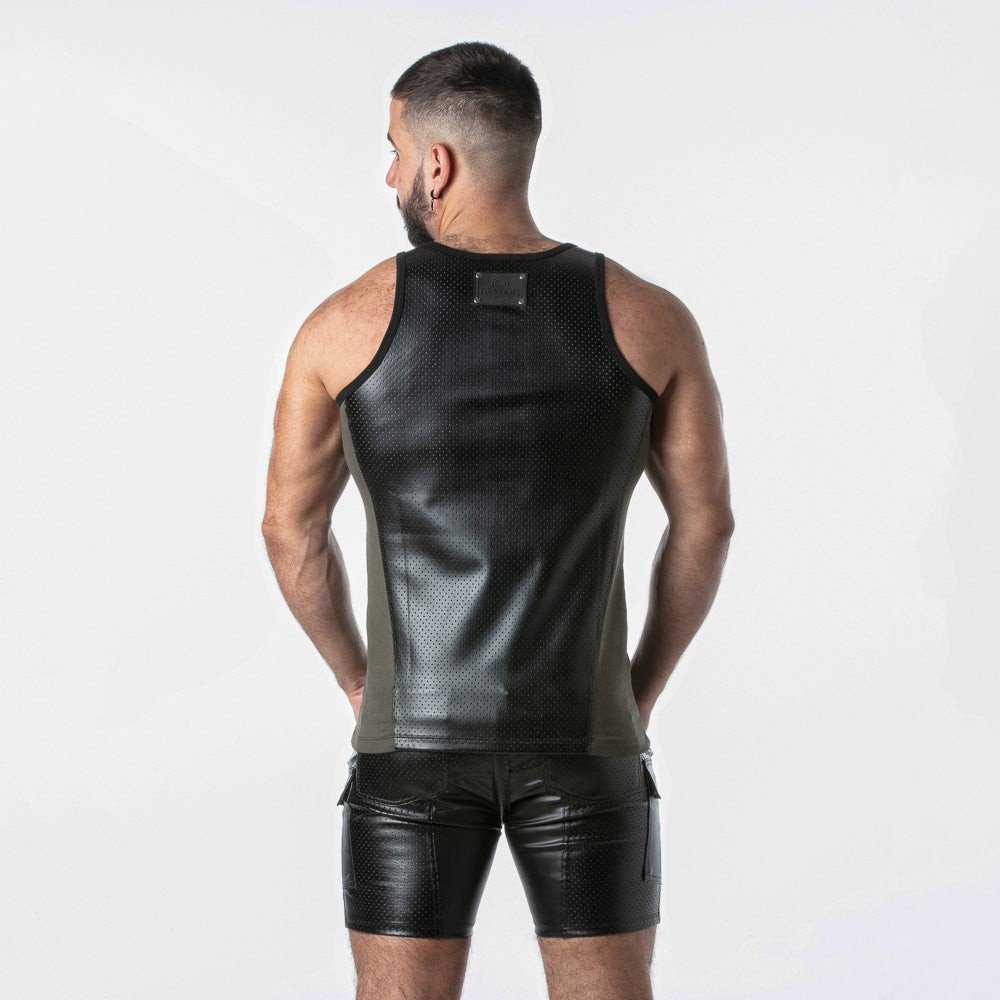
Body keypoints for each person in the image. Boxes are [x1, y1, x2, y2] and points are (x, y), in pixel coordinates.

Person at [262, 40, 734, 1000]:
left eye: (395, 150)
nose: (389, 174)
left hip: (410, 745)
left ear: (437, 166)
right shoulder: (649, 317)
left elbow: (290, 531)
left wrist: (359, 680)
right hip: (588, 742)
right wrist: (633, 694)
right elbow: (706, 525)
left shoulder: (341, 325)